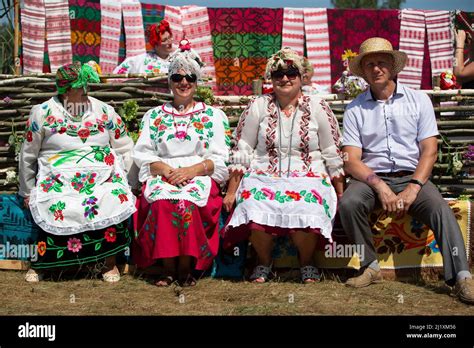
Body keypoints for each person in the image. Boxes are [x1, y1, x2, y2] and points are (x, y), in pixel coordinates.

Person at [339, 37, 474, 305]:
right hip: (372, 179)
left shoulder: (418, 100)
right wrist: (379, 186)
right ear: (363, 72)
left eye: (381, 62)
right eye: (369, 64)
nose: (376, 68)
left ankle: (462, 277)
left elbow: (429, 150)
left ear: (393, 66)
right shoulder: (355, 108)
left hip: (412, 176)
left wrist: (414, 187)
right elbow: (351, 160)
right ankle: (370, 266)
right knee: (350, 202)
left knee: (441, 210)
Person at [222, 48, 345, 283]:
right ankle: (263, 262)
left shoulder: (318, 106)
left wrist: (340, 192)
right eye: (278, 74)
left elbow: (332, 151)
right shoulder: (258, 105)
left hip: (309, 175)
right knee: (252, 199)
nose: (285, 78)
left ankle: (307, 262)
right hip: (263, 174)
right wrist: (231, 191)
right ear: (271, 78)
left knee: (307, 202)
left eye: (291, 73)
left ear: (301, 77)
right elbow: (242, 149)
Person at [19, 62, 136, 282]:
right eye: (79, 88)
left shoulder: (103, 111)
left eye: (85, 88)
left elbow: (124, 146)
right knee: (54, 201)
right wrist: (27, 190)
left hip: (101, 175)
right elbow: (28, 154)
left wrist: (132, 184)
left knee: (111, 196)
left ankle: (107, 263)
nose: (84, 92)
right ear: (65, 90)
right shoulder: (42, 113)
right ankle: (43, 263)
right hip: (58, 176)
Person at [132, 42, 229, 287]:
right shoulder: (154, 116)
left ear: (197, 82)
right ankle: (167, 267)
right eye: (177, 76)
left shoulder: (213, 116)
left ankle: (186, 267)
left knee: (186, 204)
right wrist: (165, 170)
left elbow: (219, 158)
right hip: (163, 175)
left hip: (199, 175)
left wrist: (192, 171)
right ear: (170, 80)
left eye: (189, 77)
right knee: (163, 203)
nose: (183, 82)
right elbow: (143, 153)